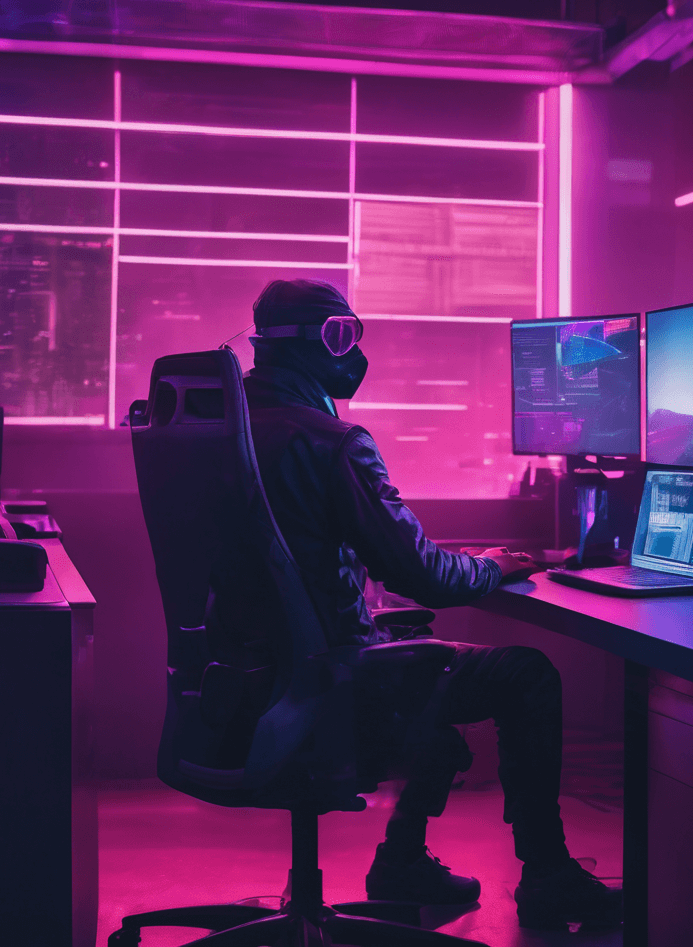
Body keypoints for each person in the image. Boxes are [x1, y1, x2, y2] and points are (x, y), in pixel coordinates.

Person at [241, 278, 622, 931]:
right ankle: (548, 875)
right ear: (322, 342)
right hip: (329, 683)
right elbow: (428, 576)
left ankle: (402, 860)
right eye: (345, 336)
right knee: (524, 674)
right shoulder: (332, 442)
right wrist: (496, 566)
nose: (356, 355)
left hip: (243, 686)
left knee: (417, 652)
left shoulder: (228, 431)